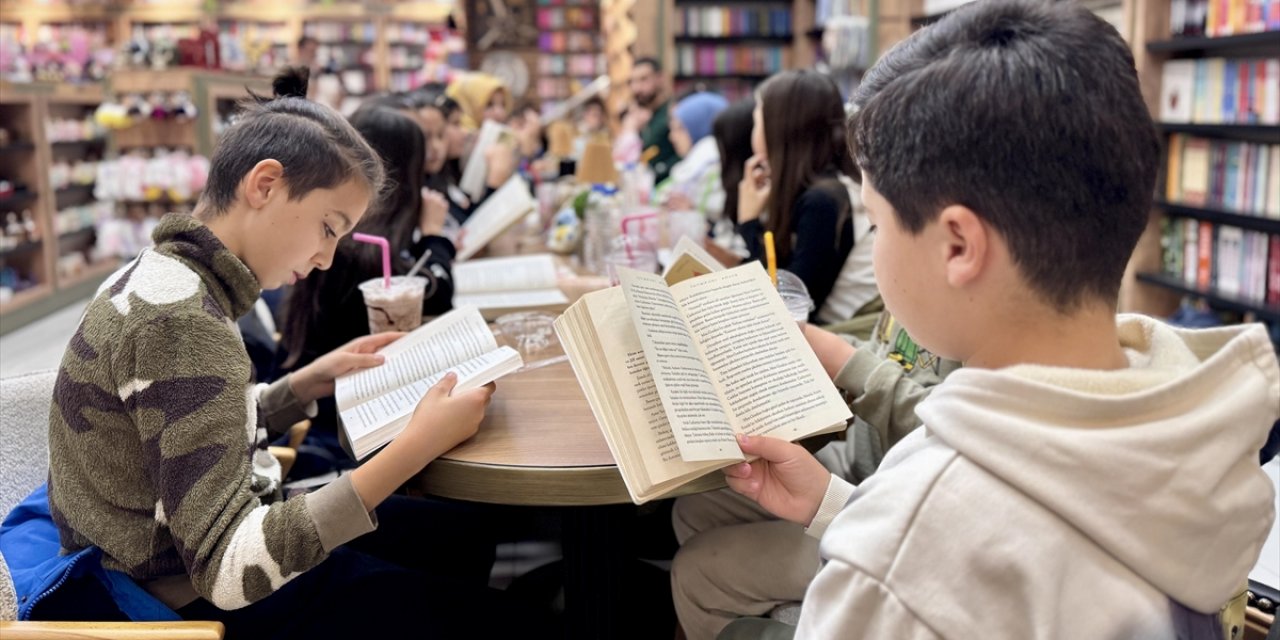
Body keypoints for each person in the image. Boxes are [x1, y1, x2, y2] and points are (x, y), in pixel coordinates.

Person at [715, 1, 1279, 637]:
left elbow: (934, 561)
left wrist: (879, 537)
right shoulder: (1198, 432)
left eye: (878, 221)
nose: (875, 244)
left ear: (958, 246)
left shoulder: (899, 555)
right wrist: (833, 506)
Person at [8, 68, 542, 638]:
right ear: (264, 185)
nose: (326, 259)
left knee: (458, 536)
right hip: (183, 596)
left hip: (173, 548)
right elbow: (228, 571)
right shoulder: (182, 321)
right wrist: (415, 447)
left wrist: (301, 385)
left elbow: (179, 430)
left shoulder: (167, 277)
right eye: (328, 228)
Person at [670, 312, 959, 640]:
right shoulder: (922, 293)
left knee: (695, 570)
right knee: (699, 506)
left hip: (897, 521)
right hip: (866, 472)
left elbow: (948, 428)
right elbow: (887, 355)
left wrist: (844, 361)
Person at [278, 103, 456, 444]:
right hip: (341, 427)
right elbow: (440, 296)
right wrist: (434, 238)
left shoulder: (356, 241)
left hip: (338, 409)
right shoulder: (360, 250)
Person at [739, 70, 877, 325]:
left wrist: (748, 223)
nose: (753, 132)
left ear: (778, 128)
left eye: (757, 121)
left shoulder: (824, 201)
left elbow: (786, 309)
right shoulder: (825, 188)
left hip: (837, 338)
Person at [659, 91, 729, 220]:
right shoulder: (694, 165)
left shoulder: (713, 167)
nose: (672, 137)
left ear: (699, 128)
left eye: (680, 128)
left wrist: (692, 212)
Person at [627, 57, 678, 182]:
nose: (637, 88)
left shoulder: (674, 113)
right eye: (633, 82)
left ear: (660, 78)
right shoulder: (638, 117)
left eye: (643, 79)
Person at [446, 72, 511, 130]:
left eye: (503, 104)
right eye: (489, 105)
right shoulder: (458, 134)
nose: (499, 112)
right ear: (470, 104)